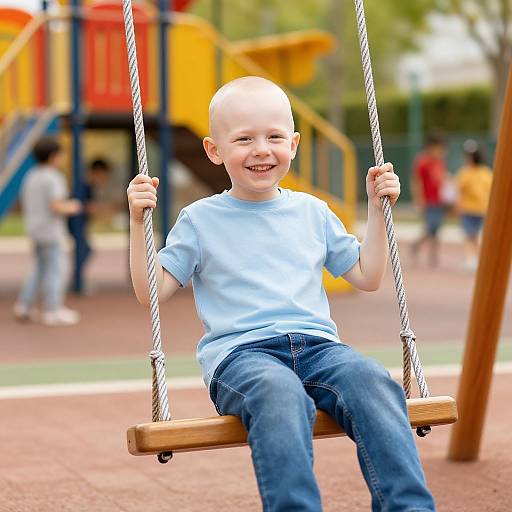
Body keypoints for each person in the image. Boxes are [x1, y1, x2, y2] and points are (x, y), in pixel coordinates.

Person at [127, 76, 435, 511]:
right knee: (279, 392)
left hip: (319, 349)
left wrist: (375, 206)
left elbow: (367, 275)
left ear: (293, 144)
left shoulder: (313, 212)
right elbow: (151, 295)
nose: (261, 150)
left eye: (274, 137)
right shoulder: (199, 220)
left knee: (373, 381)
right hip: (241, 357)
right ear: (214, 151)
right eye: (243, 139)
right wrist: (138, 223)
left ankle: (409, 506)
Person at [14, 136, 82, 326]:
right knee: (56, 269)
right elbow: (56, 206)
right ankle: (52, 309)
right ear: (54, 156)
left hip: (35, 229)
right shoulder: (54, 177)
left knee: (39, 268)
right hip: (51, 232)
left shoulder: (31, 176)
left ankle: (24, 305)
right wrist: (73, 206)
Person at [68, 158, 112, 293]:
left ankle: (77, 280)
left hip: (80, 223)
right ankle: (77, 282)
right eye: (103, 175)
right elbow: (80, 205)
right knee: (84, 249)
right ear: (97, 172)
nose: (104, 179)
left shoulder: (88, 185)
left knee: (84, 249)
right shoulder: (83, 185)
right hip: (74, 222)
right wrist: (102, 208)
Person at [410, 134, 449, 267]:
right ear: (430, 147)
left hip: (439, 200)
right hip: (428, 201)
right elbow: (416, 181)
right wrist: (419, 199)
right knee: (431, 227)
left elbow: (442, 177)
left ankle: (433, 256)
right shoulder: (422, 161)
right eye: (438, 148)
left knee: (436, 229)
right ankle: (417, 244)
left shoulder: (440, 161)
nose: (440, 152)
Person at [455, 140, 493, 272]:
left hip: (470, 209)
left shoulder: (465, 173)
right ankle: (476, 259)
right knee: (476, 235)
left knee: (469, 236)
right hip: (481, 209)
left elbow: (460, 191)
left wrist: (457, 206)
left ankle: (472, 259)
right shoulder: (486, 173)